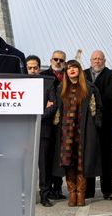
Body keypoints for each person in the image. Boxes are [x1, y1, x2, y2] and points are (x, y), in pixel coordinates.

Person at [53, 60, 102, 207]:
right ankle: (72, 193)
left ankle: (81, 194)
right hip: (66, 131)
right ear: (66, 72)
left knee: (82, 162)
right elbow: (57, 109)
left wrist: (96, 125)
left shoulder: (89, 87)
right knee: (68, 163)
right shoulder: (61, 88)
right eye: (68, 68)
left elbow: (99, 108)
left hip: (84, 130)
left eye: (74, 67)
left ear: (79, 70)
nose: (71, 70)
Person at [83, 50, 112, 200]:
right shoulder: (83, 74)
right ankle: (88, 191)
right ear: (90, 60)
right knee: (89, 158)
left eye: (100, 59)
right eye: (94, 59)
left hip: (106, 125)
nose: (97, 61)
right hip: (88, 124)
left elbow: (111, 96)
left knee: (106, 160)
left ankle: (107, 191)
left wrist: (92, 102)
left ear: (104, 60)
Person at [27, 55, 58, 207]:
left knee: (44, 166)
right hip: (24, 131)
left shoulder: (48, 83)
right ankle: (26, 195)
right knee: (24, 165)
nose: (33, 70)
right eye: (30, 68)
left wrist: (38, 116)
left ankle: (44, 196)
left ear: (39, 68)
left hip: (43, 130)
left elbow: (53, 106)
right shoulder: (19, 84)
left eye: (35, 68)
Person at [41, 50, 67, 201]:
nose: (58, 62)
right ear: (51, 60)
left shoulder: (68, 76)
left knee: (59, 158)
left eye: (61, 60)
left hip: (63, 124)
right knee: (46, 159)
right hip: (47, 123)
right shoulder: (43, 76)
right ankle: (47, 189)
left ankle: (58, 188)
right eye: (56, 59)